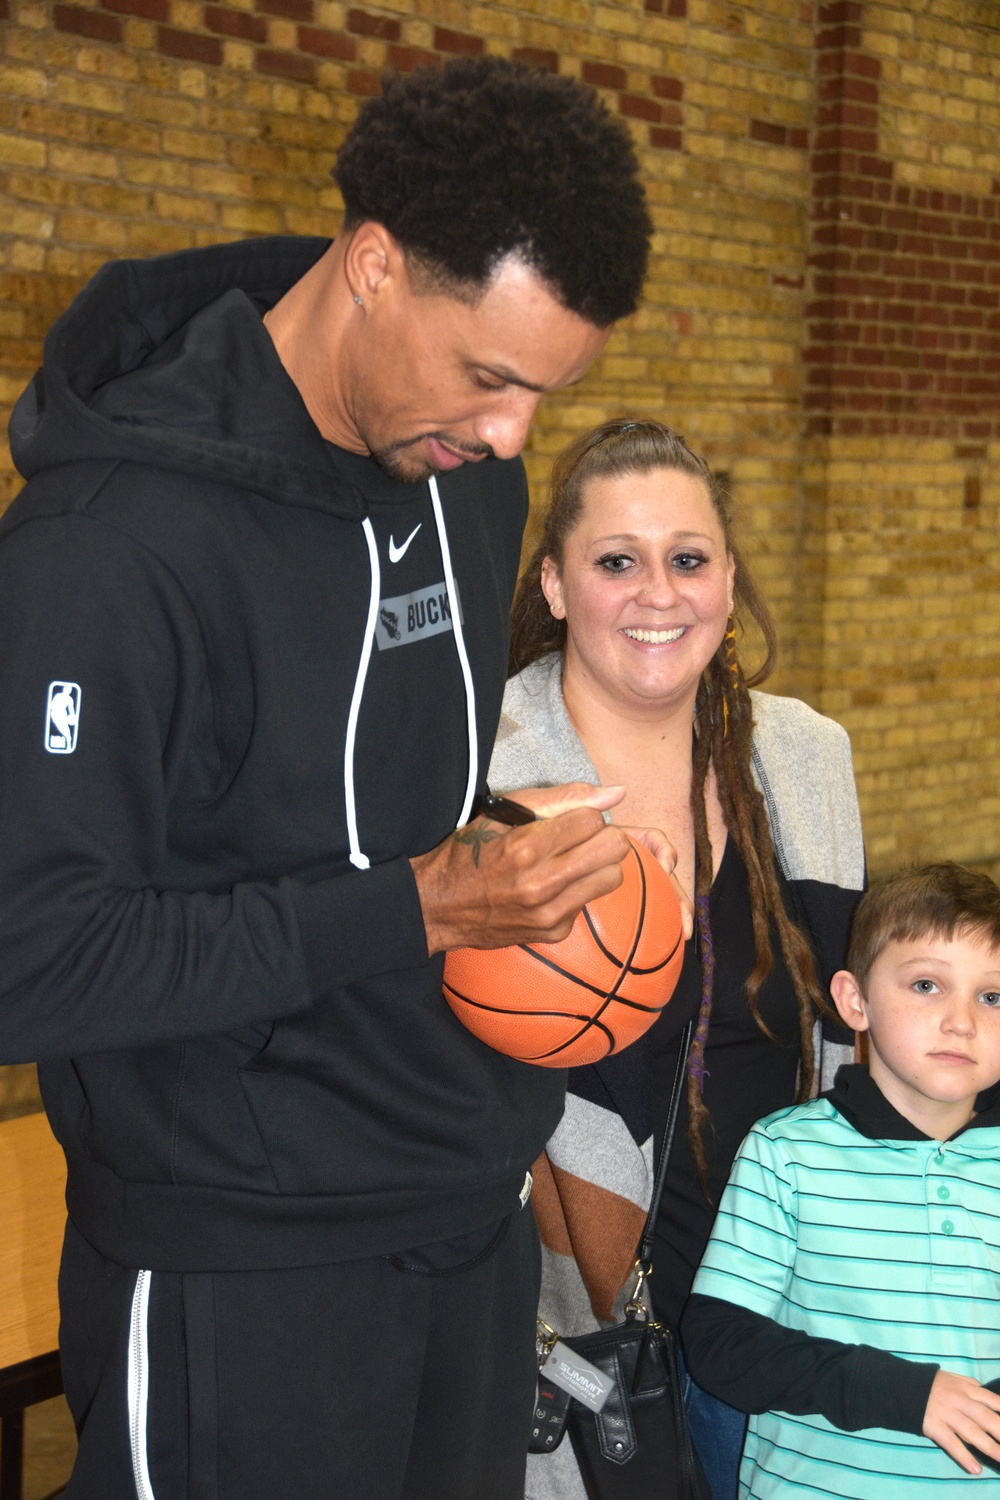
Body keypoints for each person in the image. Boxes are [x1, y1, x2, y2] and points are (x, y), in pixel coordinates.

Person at [0, 60, 653, 1500]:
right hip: (240, 1256)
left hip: (465, 1222)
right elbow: (29, 963)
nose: (510, 439)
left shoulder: (462, 480)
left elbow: (368, 805)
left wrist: (516, 875)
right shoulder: (103, 549)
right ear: (371, 267)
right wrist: (417, 908)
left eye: (549, 391)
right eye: (489, 375)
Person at [487, 418, 865, 1500]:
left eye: (687, 559)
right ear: (555, 584)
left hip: (785, 1319)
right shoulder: (481, 770)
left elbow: (840, 1036)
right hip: (576, 1337)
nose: (659, 592)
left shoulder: (805, 758)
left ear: (728, 579)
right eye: (617, 561)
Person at [683, 862, 1000, 1496]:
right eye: (927, 985)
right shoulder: (787, 1152)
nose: (961, 1021)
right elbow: (720, 1344)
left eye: (992, 996)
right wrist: (904, 1394)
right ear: (855, 1002)